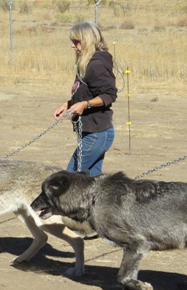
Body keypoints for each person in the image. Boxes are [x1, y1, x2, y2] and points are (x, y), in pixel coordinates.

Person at [54, 21, 117, 177]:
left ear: (87, 41)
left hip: (97, 134)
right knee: (91, 183)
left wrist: (85, 104)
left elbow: (109, 94)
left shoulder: (96, 65)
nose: (72, 46)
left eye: (76, 42)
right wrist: (68, 104)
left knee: (70, 179)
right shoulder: (85, 63)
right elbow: (86, 93)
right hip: (91, 132)